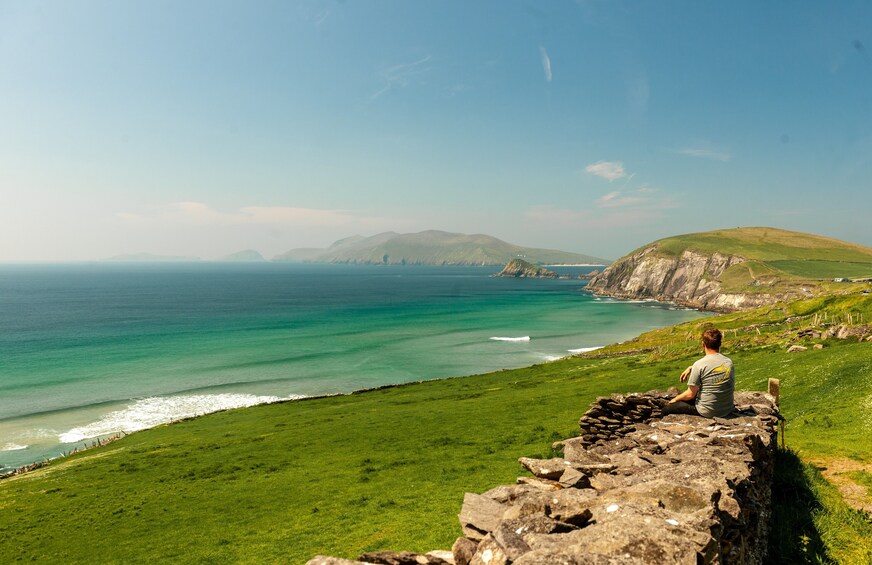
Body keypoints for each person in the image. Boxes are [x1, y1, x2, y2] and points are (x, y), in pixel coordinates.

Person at [664, 328, 735, 418]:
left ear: (703, 344)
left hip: (708, 411)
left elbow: (690, 394)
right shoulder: (728, 362)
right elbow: (712, 367)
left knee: (667, 409)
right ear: (720, 343)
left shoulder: (699, 364)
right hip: (727, 409)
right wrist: (692, 368)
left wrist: (675, 399)